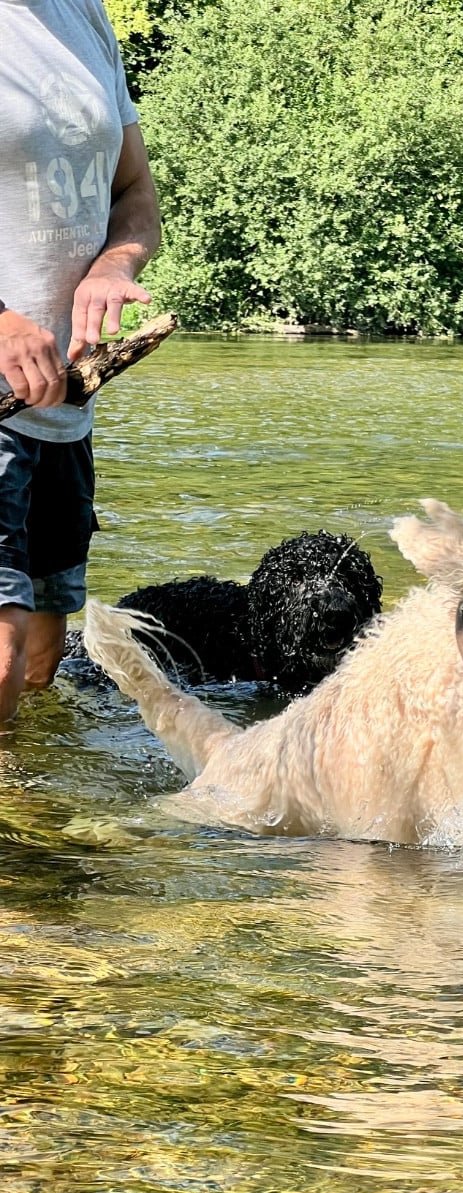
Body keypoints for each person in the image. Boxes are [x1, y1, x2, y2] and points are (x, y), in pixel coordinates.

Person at [0, 0, 161, 724]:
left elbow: (136, 194)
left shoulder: (84, 15)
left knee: (40, 660)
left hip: (65, 402)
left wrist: (113, 264)